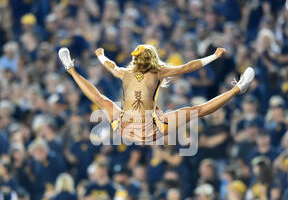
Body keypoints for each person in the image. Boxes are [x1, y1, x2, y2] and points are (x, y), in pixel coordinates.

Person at [58, 45, 254, 143]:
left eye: (138, 58)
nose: (135, 61)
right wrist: (101, 57)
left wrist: (213, 56)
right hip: (137, 127)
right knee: (196, 110)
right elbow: (112, 66)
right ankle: (70, 68)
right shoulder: (130, 73)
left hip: (137, 127)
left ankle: (238, 88)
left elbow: (188, 67)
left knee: (196, 110)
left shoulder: (156, 71)